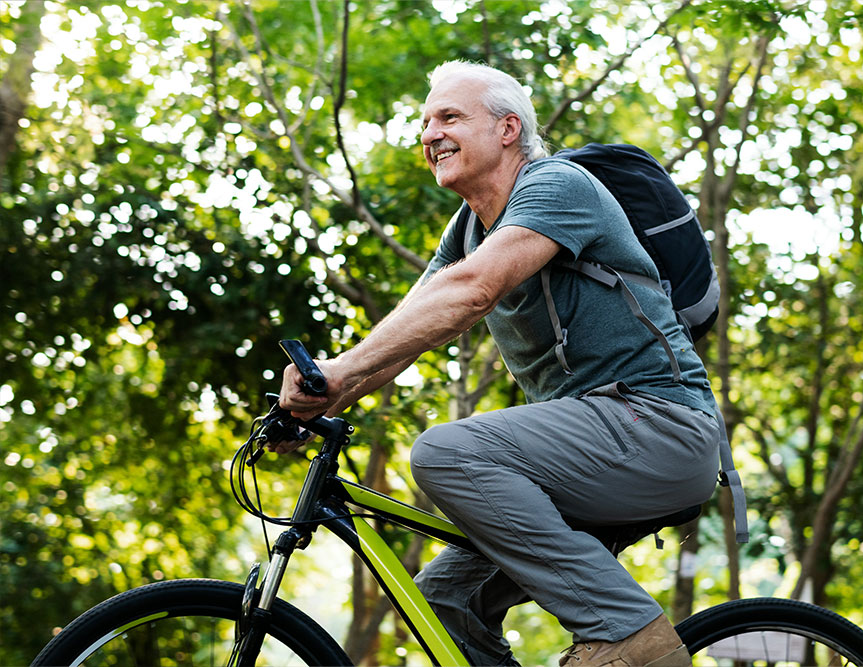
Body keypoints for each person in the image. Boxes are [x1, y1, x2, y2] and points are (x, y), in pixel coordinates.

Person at [278, 60, 721, 667]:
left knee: (447, 451)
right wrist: (319, 399)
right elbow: (414, 327)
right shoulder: (466, 232)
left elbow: (474, 291)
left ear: (508, 128)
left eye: (450, 117)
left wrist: (338, 370)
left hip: (659, 425)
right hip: (594, 452)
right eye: (425, 121)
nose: (429, 133)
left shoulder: (557, 186)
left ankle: (629, 637)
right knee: (440, 601)